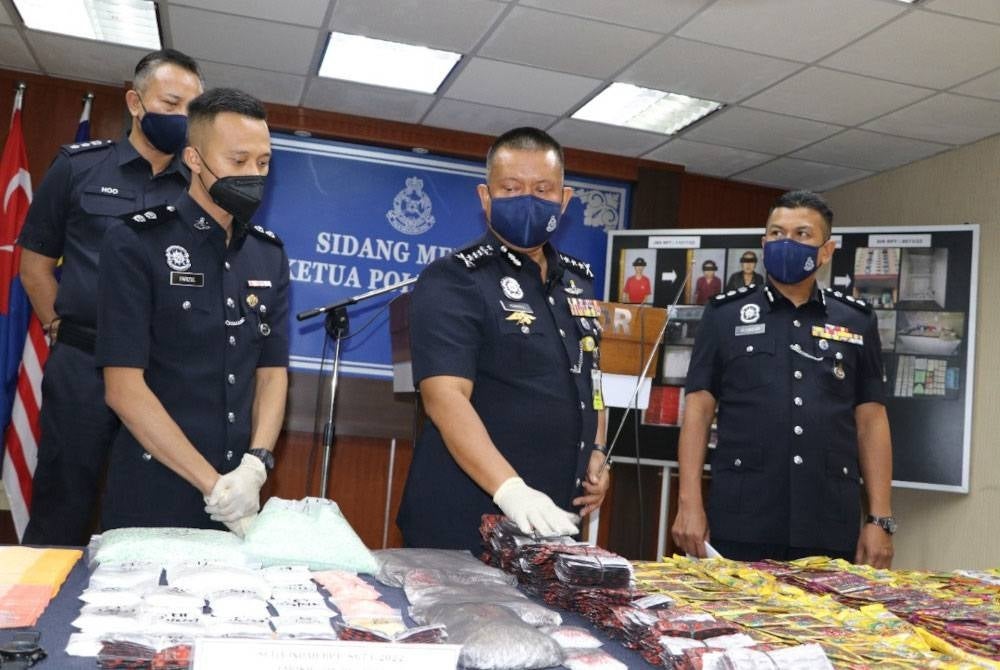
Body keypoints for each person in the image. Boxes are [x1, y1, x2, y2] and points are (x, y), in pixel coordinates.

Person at [18, 49, 203, 545]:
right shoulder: (79, 167)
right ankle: (34, 619)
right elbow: (34, 266)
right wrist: (60, 329)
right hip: (83, 362)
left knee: (147, 507)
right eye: (172, 102)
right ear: (136, 102)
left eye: (194, 107)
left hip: (159, 371)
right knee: (63, 501)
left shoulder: (198, 190)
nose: (183, 117)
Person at [397, 127, 610, 552]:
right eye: (511, 188)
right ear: (486, 197)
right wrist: (511, 490)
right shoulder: (455, 278)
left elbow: (593, 379)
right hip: (467, 520)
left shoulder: (579, 283)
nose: (527, 199)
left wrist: (599, 449)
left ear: (564, 200)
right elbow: (445, 397)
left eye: (542, 189)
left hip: (552, 520)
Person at [95, 88, 288, 534]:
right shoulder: (136, 242)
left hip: (240, 495)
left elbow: (272, 373)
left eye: (263, 164)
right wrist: (214, 487)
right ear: (195, 159)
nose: (253, 176)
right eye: (238, 162)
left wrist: (255, 466)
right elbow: (123, 388)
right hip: (154, 492)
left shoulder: (268, 255)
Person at [671, 190, 894, 568]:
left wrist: (880, 518)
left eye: (802, 234)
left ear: (826, 251)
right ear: (763, 243)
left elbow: (871, 421)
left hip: (828, 520)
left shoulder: (856, 320)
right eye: (776, 233)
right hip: (742, 517)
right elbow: (698, 409)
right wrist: (688, 502)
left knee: (823, 626)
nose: (786, 242)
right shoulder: (725, 315)